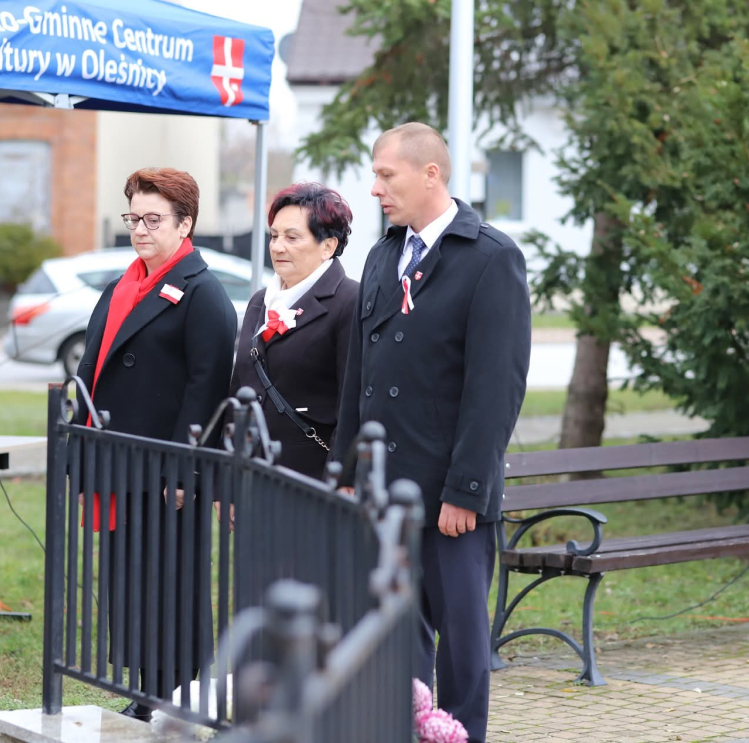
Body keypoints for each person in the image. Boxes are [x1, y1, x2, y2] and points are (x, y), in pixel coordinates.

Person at [332, 123, 531, 742]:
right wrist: (347, 474)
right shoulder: (382, 255)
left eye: (385, 175)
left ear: (430, 174)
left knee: (462, 645)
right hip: (385, 491)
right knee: (395, 638)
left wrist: (466, 490)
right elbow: (359, 377)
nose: (374, 189)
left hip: (449, 497)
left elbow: (495, 390)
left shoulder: (491, 258)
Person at [76, 166, 237, 720]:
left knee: (169, 586)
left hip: (166, 472)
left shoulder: (202, 292)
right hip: (120, 465)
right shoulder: (122, 285)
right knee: (129, 584)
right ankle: (147, 692)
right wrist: (82, 452)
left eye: (153, 219)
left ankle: (173, 697)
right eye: (133, 218)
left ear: (185, 224)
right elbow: (91, 368)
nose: (139, 230)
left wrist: (184, 471)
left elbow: (207, 389)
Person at [229, 182, 358, 477]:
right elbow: (238, 390)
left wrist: (340, 480)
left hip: (309, 480)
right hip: (249, 472)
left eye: (292, 237)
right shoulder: (260, 301)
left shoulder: (349, 301)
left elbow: (352, 404)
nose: (277, 247)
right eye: (274, 236)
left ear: (328, 246)